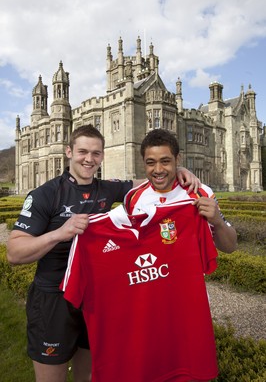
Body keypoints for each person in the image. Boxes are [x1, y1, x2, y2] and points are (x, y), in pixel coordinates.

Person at [7, 124, 200, 382]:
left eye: (96, 153)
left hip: (96, 298)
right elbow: (14, 253)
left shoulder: (108, 189)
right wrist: (59, 233)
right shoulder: (45, 195)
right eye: (83, 152)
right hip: (54, 299)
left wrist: (179, 169)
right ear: (68, 152)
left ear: (103, 156)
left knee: (89, 374)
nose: (89, 159)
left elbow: (151, 179)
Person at [61, 128, 237, 381]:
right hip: (146, 306)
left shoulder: (199, 194)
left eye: (166, 161)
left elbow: (230, 246)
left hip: (184, 308)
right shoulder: (134, 198)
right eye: (151, 162)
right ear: (143, 163)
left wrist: (218, 221)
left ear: (178, 160)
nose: (158, 169)